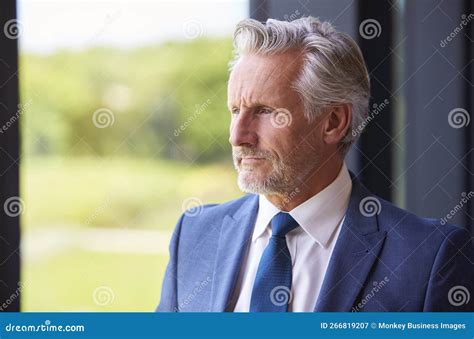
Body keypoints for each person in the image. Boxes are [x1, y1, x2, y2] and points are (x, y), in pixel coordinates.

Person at [156, 16, 473, 312]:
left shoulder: (430, 258)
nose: (238, 136)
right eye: (235, 110)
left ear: (334, 122)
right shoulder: (194, 235)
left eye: (265, 111)